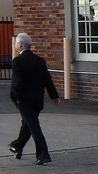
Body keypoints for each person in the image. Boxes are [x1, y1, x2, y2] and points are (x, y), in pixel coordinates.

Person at [8, 33, 60, 165]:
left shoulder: (17, 61)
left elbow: (17, 82)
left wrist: (15, 97)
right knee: (27, 124)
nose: (15, 46)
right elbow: (47, 80)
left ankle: (43, 154)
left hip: (24, 100)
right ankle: (17, 147)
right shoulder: (40, 61)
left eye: (16, 43)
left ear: (20, 45)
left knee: (33, 126)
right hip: (37, 100)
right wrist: (54, 96)